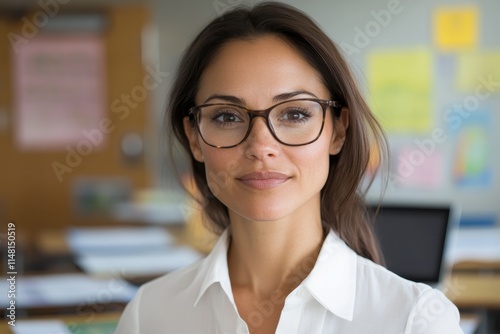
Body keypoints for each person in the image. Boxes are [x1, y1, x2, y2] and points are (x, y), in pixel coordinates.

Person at [115, 2, 462, 333]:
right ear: (194, 138)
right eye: (226, 116)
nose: (261, 147)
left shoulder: (415, 321)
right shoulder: (150, 315)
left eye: (295, 114)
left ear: (338, 131)